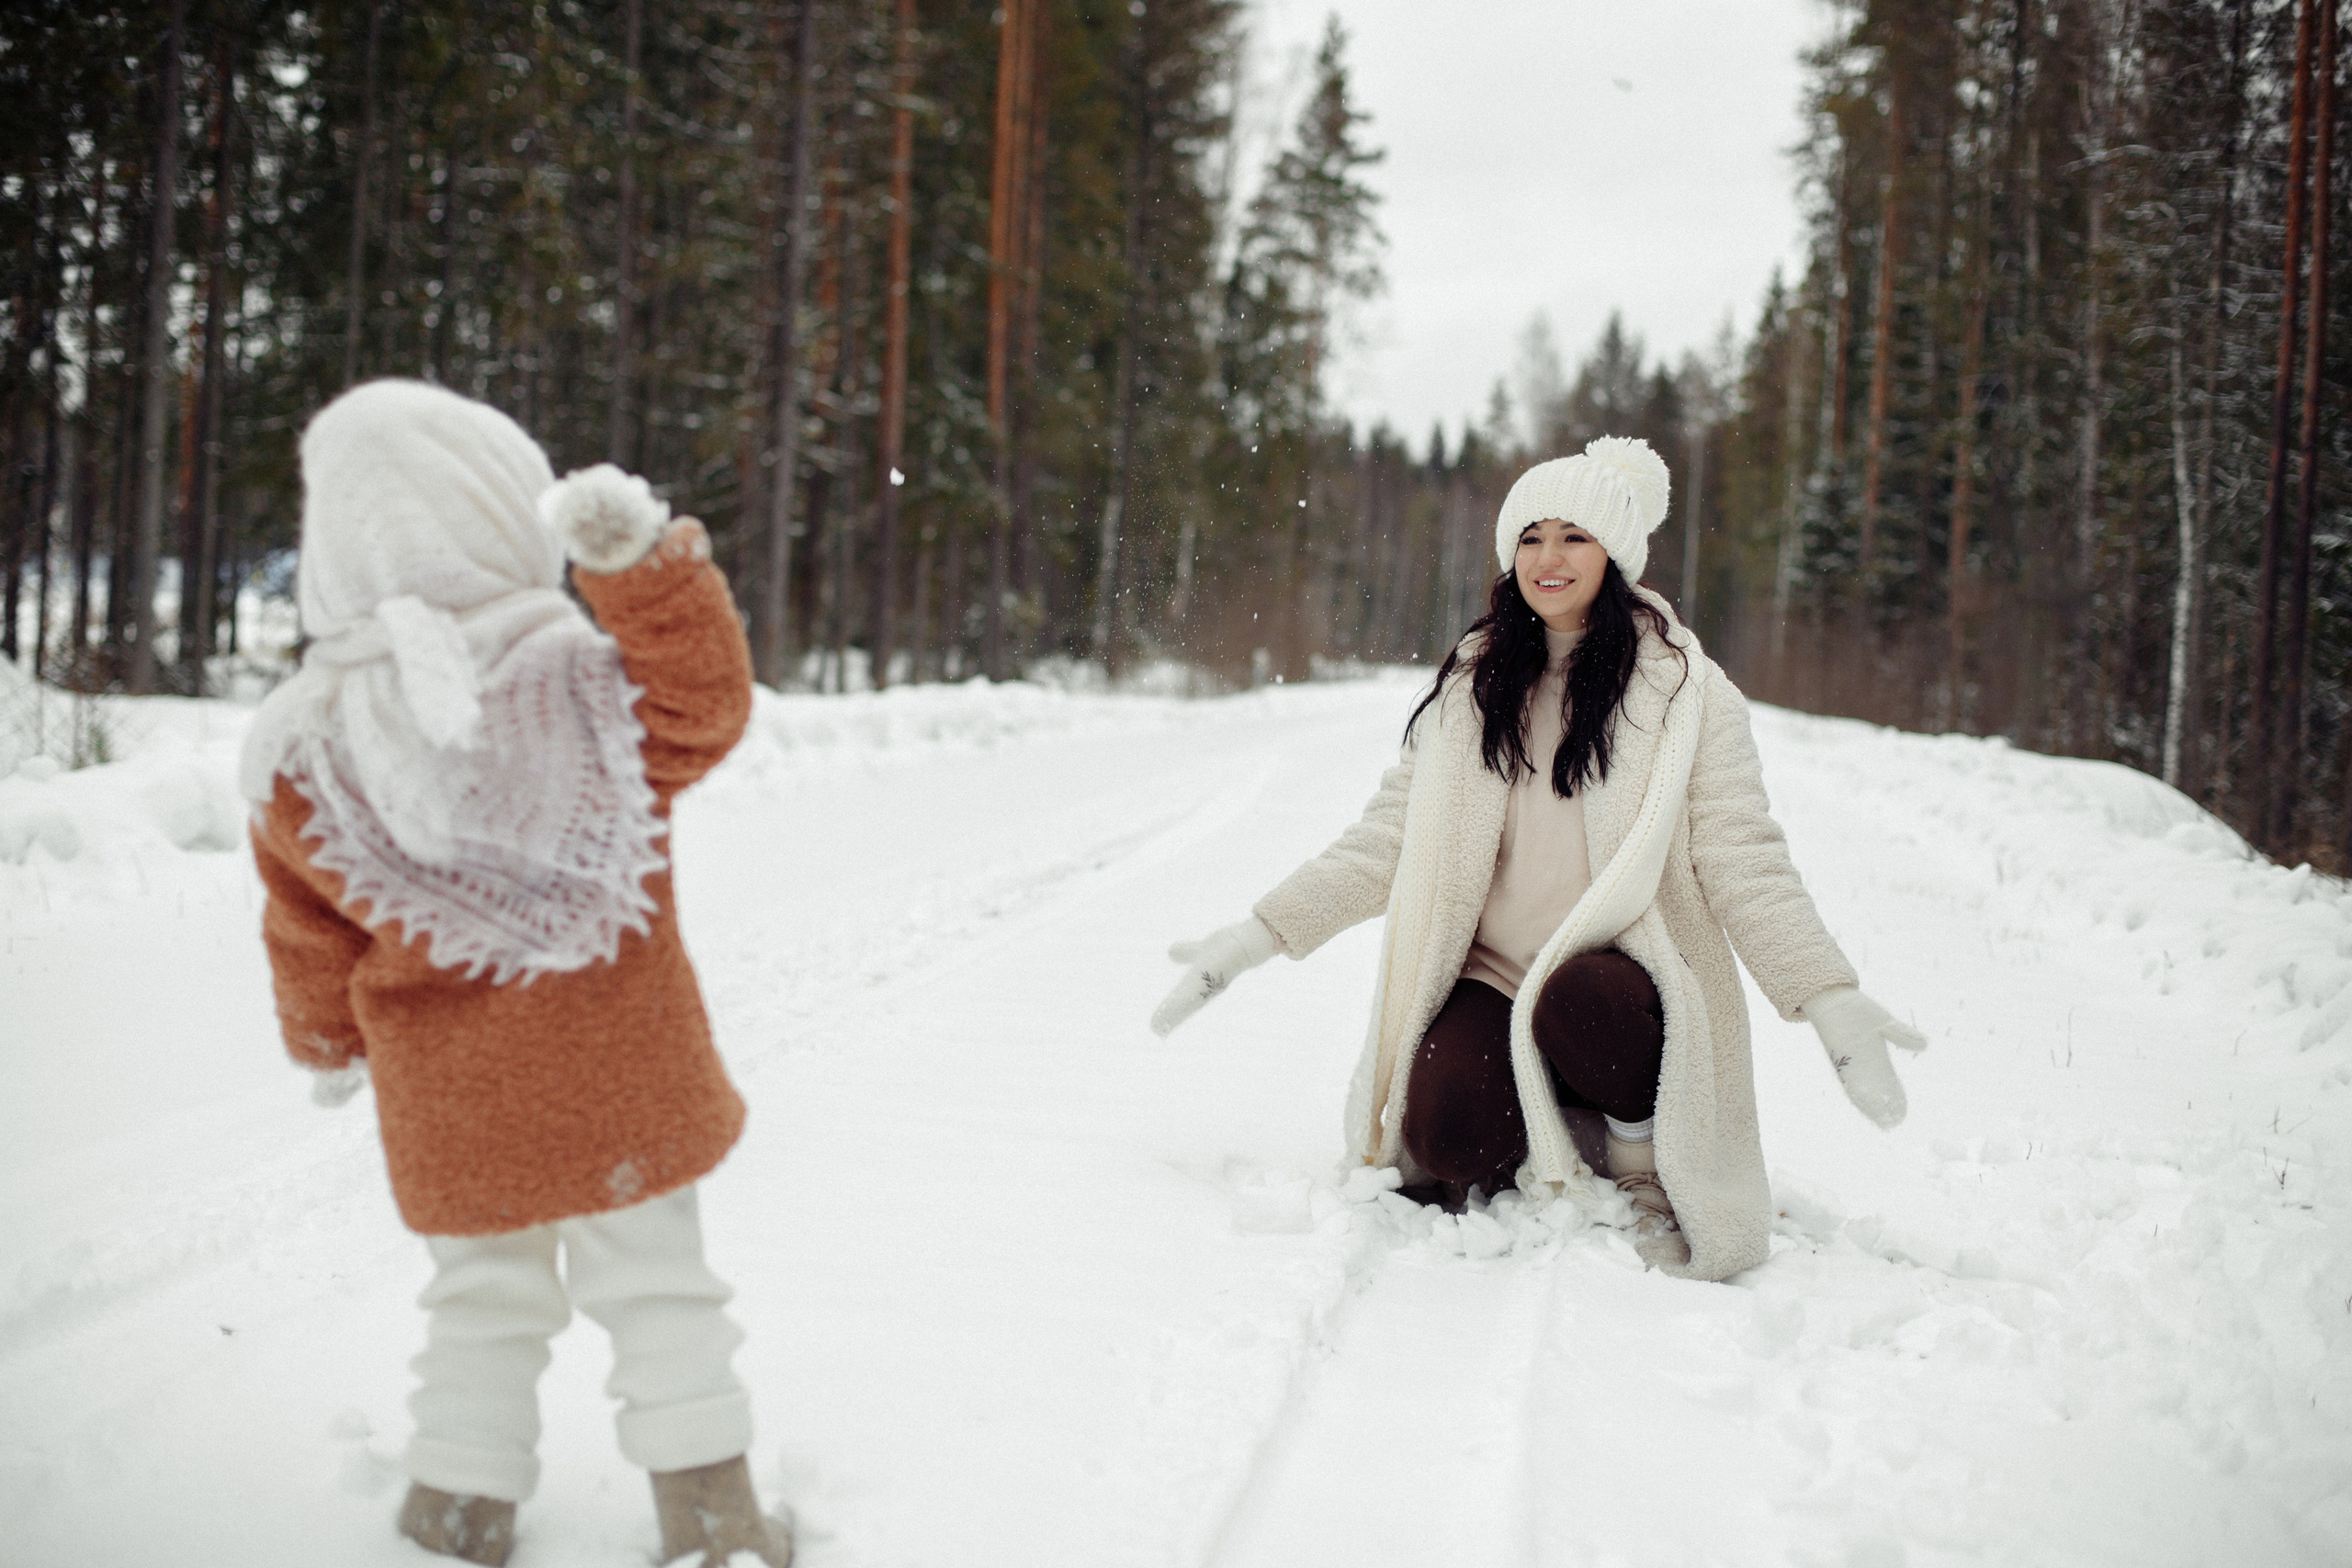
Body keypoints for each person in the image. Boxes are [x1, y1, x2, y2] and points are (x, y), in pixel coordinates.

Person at [1150, 435, 1926, 1280]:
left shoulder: (1686, 694)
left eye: (1574, 537)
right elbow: (1385, 840)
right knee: (1444, 1139)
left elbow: (1743, 856)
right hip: (1495, 975)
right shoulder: (1473, 686)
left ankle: (1638, 1157)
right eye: (1530, 536)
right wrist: (1261, 933)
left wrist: (1825, 991)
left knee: (1583, 999)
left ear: (1616, 555)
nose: (1548, 558)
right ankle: (1544, 1092)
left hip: (1616, 978)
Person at [241, 380, 790, 1565]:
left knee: (480, 1306)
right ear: (500, 511)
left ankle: (454, 1506)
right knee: (658, 1289)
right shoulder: (585, 687)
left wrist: (326, 1041)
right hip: (620, 1077)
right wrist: (642, 570)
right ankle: (713, 1520)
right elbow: (708, 701)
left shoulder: (302, 743)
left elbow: (304, 926)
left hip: (449, 1102)